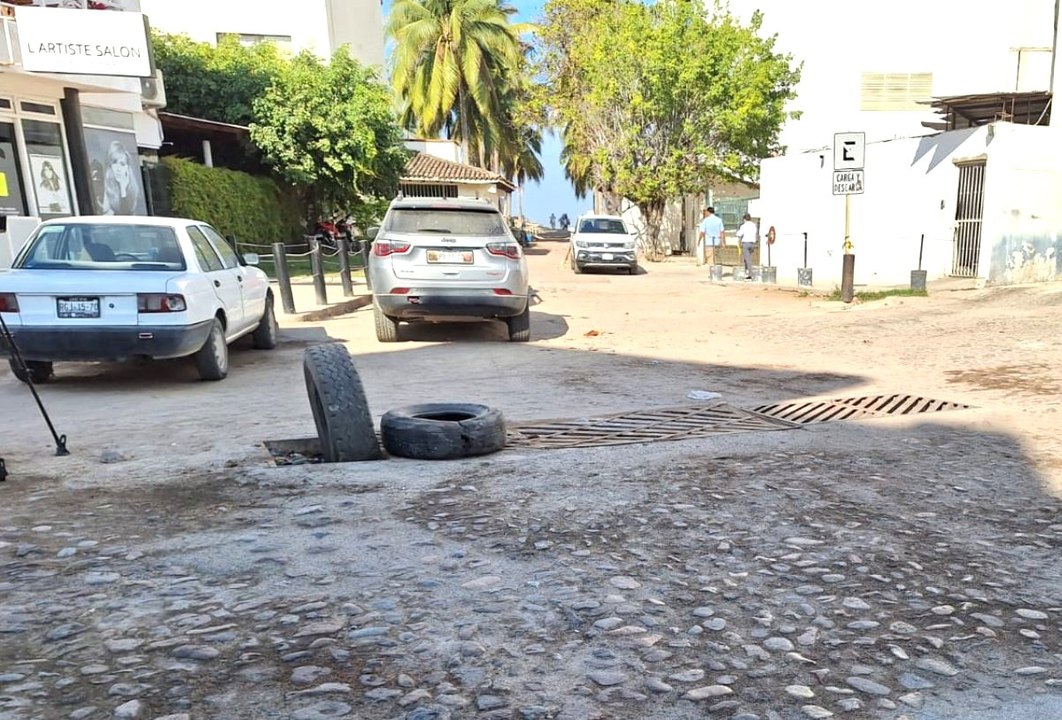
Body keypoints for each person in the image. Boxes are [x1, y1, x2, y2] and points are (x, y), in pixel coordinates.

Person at [100, 140, 140, 215]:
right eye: (114, 163)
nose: (118, 169)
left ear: (127, 168)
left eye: (122, 164)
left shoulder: (133, 190)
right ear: (110, 166)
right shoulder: (104, 188)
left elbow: (126, 216)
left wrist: (123, 190)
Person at [736, 212, 759, 280]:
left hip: (746, 243)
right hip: (752, 243)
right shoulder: (753, 225)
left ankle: (749, 274)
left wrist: (737, 232)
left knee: (747, 259)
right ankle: (747, 272)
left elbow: (739, 234)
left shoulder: (743, 226)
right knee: (748, 258)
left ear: (744, 219)